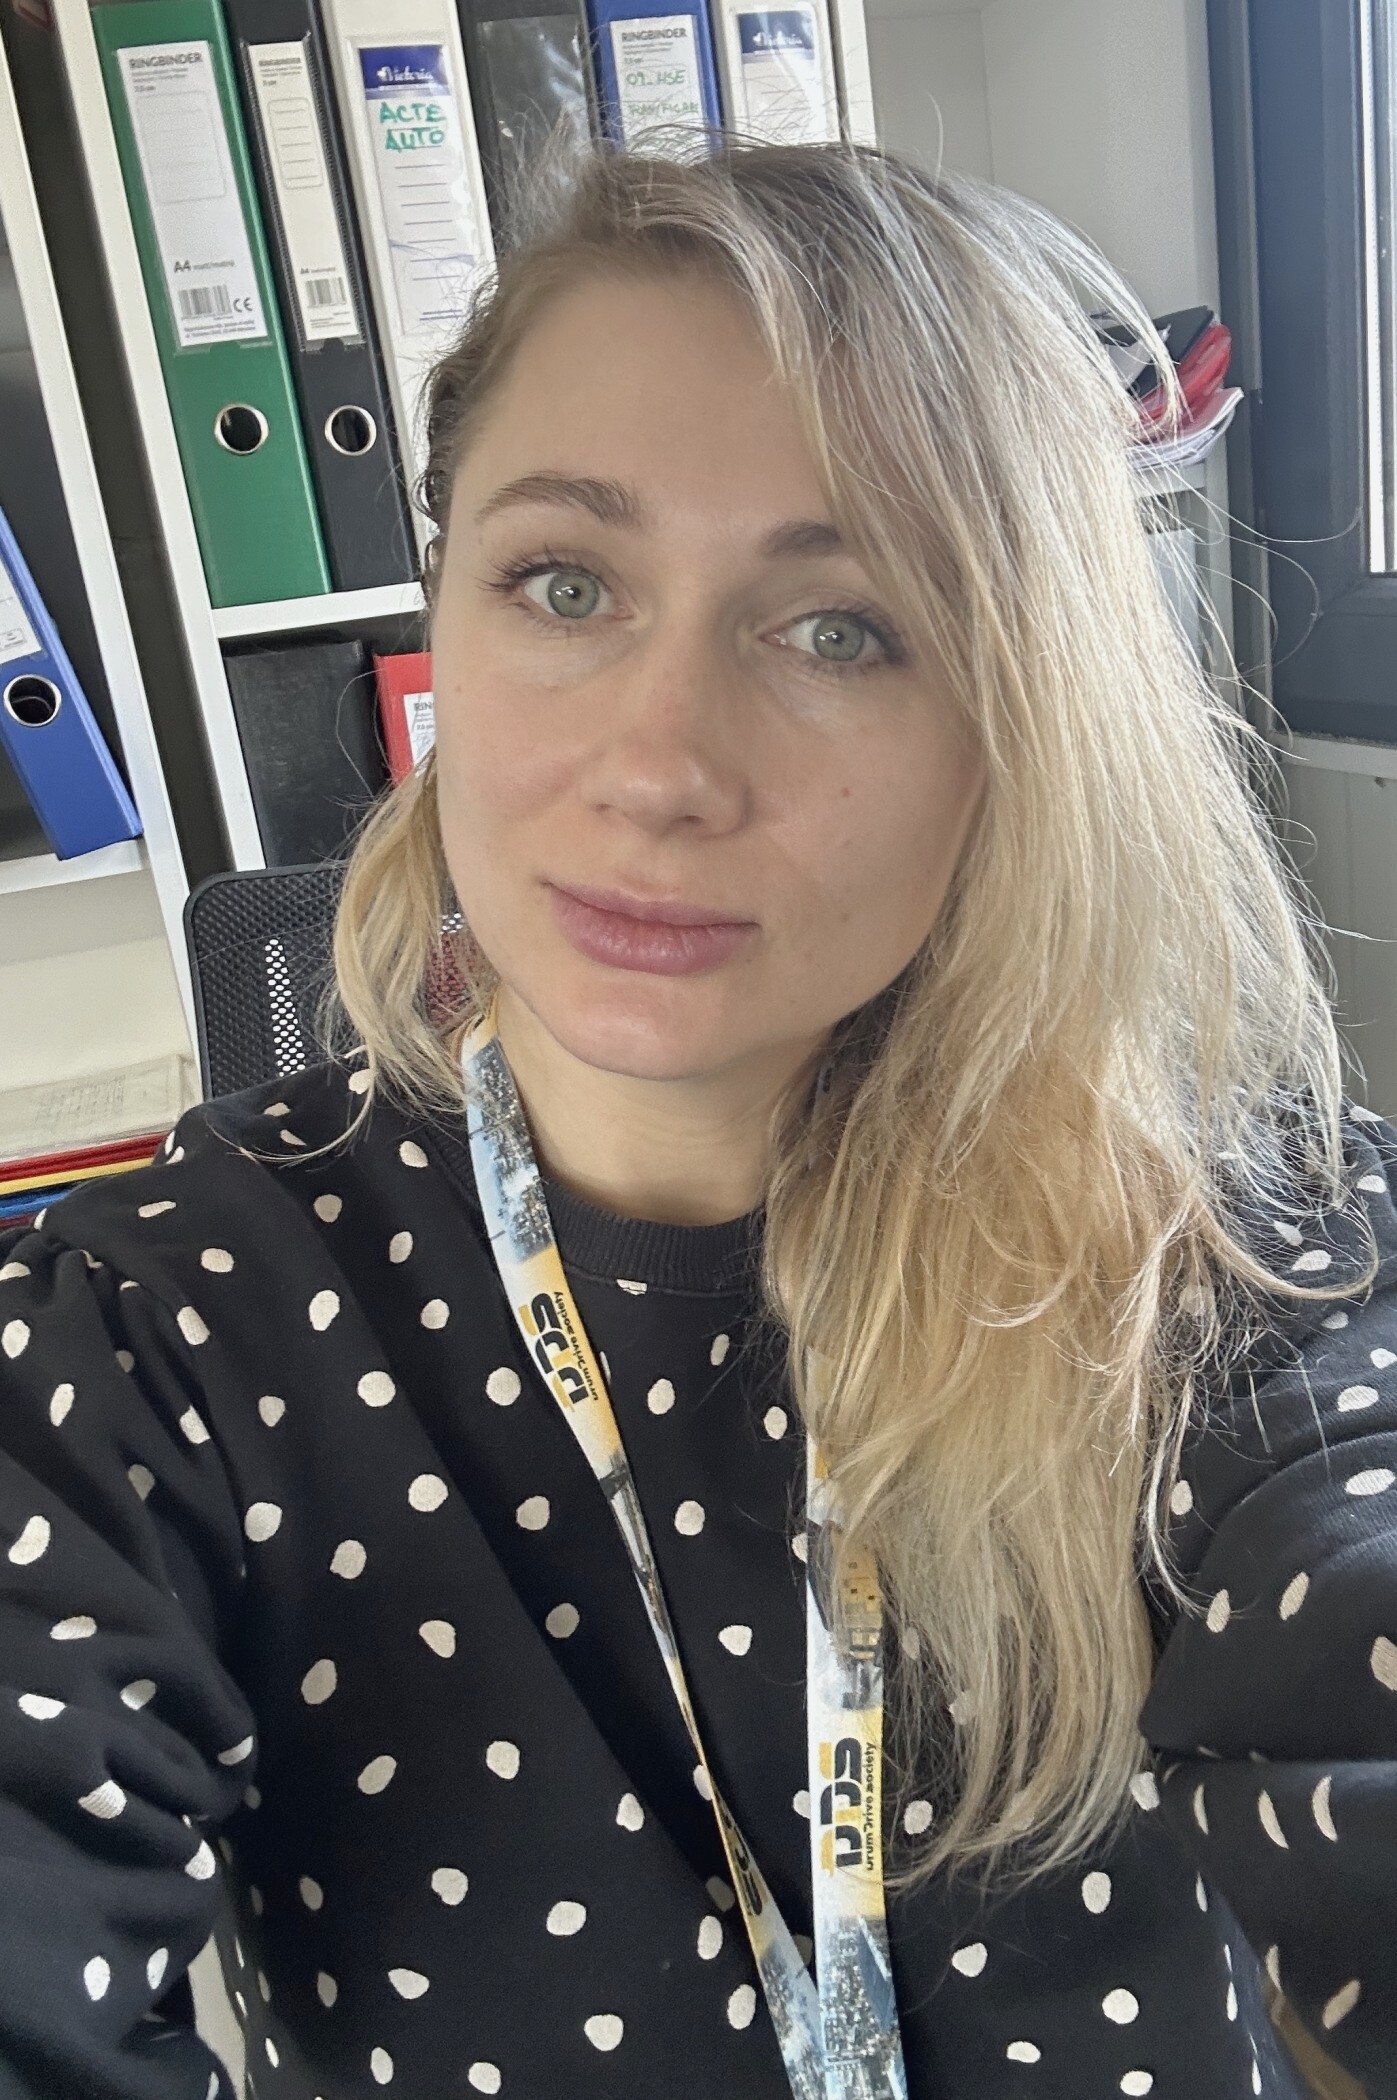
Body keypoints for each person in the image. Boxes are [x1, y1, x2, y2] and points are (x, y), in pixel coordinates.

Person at [1, 129, 1394, 2100]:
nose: (659, 765)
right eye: (565, 584)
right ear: (443, 618)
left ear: (1023, 724)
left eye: (842, 626)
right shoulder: (158, 1333)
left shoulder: (1249, 1266)